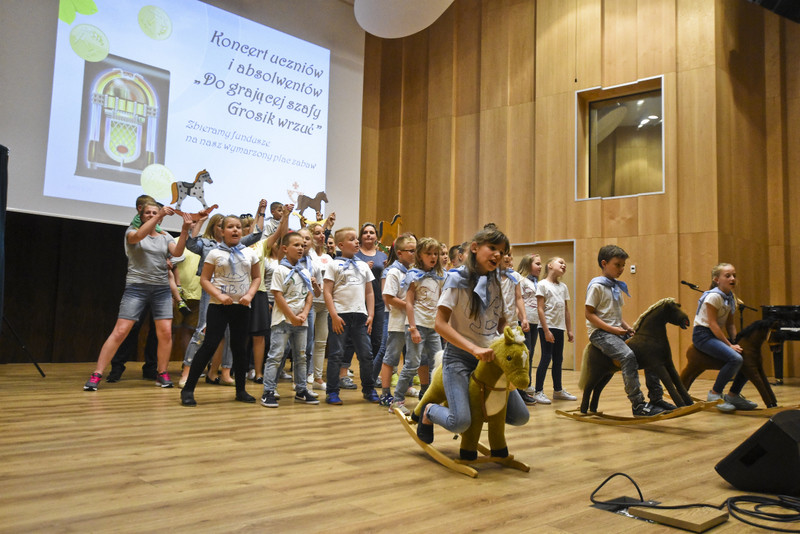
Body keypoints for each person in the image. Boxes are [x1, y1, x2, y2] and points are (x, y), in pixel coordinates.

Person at [416, 226, 529, 445]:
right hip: (459, 358)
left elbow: (500, 322)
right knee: (460, 422)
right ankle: (429, 411)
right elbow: (439, 324)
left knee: (520, 416)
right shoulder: (457, 279)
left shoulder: (497, 281)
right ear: (475, 248)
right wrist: (474, 349)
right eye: (493, 248)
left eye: (503, 251)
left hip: (489, 359)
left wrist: (509, 340)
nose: (498, 254)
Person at [84, 201, 192, 390]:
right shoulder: (132, 232)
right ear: (141, 216)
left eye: (154, 212)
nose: (151, 215)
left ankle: (162, 373)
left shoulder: (165, 236)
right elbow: (138, 237)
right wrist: (159, 216)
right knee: (120, 331)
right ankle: (97, 374)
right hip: (137, 288)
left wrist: (184, 230)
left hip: (161, 290)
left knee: (165, 332)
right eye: (148, 213)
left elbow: (178, 252)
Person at [180, 215, 262, 406]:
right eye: (230, 227)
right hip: (218, 307)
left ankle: (241, 390)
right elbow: (205, 280)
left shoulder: (250, 254)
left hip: (242, 307)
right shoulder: (214, 253)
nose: (235, 230)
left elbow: (256, 277)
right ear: (222, 231)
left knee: (239, 349)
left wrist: (249, 295)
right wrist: (219, 295)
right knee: (209, 345)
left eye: (238, 227)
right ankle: (188, 389)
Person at [585, 245, 670, 416]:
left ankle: (656, 397)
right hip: (600, 334)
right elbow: (589, 314)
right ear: (604, 263)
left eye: (623, 265)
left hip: (615, 331)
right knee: (628, 356)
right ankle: (638, 405)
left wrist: (626, 327)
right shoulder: (597, 286)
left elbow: (615, 315)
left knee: (649, 354)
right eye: (617, 265)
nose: (622, 269)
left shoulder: (615, 287)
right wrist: (613, 330)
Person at [260, 232, 318, 407]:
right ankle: (268, 391)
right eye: (296, 245)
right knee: (276, 356)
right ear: (285, 249)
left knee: (301, 357)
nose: (301, 248)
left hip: (301, 321)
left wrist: (304, 313)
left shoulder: (306, 271)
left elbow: (309, 295)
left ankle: (301, 390)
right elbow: (277, 295)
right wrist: (291, 316)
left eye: (302, 245)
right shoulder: (280, 270)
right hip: (282, 322)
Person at [323, 227, 379, 405]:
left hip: (360, 316)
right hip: (340, 316)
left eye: (357, 239)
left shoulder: (363, 265)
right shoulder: (333, 264)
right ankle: (332, 391)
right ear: (340, 244)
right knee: (336, 354)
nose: (357, 242)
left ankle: (369, 389)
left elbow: (369, 292)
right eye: (352, 239)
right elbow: (327, 292)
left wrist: (370, 314)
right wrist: (333, 315)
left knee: (366, 354)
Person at [692, 263, 756, 412]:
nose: (732, 278)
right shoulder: (714, 296)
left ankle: (733, 395)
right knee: (735, 358)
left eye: (734, 275)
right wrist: (729, 345)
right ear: (716, 279)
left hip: (714, 335)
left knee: (748, 357)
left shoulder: (730, 297)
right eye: (728, 276)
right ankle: (714, 394)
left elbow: (730, 325)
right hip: (703, 335)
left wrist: (736, 341)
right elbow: (713, 325)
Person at [391, 237, 444, 415]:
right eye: (428, 253)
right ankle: (396, 400)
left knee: (437, 365)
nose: (433, 257)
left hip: (433, 327)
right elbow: (409, 304)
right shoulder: (414, 275)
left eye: (435, 253)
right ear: (420, 255)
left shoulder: (439, 276)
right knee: (412, 363)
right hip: (417, 326)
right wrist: (412, 328)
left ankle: (430, 399)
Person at [339, 223, 387, 388]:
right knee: (351, 340)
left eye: (371, 233)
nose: (368, 235)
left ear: (376, 237)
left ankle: (372, 375)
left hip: (378, 303)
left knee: (377, 339)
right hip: (357, 302)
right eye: (365, 232)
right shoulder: (354, 254)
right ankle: (343, 374)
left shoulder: (382, 256)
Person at [378, 233, 416, 406]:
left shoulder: (413, 273)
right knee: (391, 358)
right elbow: (389, 298)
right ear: (399, 253)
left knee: (412, 359)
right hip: (398, 323)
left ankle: (406, 388)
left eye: (416, 250)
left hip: (413, 323)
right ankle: (385, 393)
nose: (415, 254)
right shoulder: (394, 272)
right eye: (411, 251)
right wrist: (411, 306)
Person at [534, 257, 576, 404]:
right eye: (561, 262)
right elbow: (540, 308)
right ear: (550, 265)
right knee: (546, 358)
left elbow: (566, 310)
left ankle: (558, 390)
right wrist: (546, 330)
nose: (564, 265)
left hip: (559, 327)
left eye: (565, 263)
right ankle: (538, 391)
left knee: (558, 359)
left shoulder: (563, 287)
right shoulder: (542, 284)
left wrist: (569, 329)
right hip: (547, 326)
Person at [307, 221, 334, 391]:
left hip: (325, 303)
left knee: (321, 342)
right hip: (310, 302)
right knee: (307, 342)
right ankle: (305, 374)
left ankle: (317, 377)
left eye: (323, 233)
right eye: (317, 233)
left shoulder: (328, 257)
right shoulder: (307, 255)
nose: (321, 236)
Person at [516, 253, 542, 404]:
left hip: (534, 322)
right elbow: (518, 299)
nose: (540, 267)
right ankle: (520, 391)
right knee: (524, 356)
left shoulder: (536, 282)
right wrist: (522, 318)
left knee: (530, 356)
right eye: (537, 264)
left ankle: (526, 386)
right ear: (527, 264)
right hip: (523, 322)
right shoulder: (520, 279)